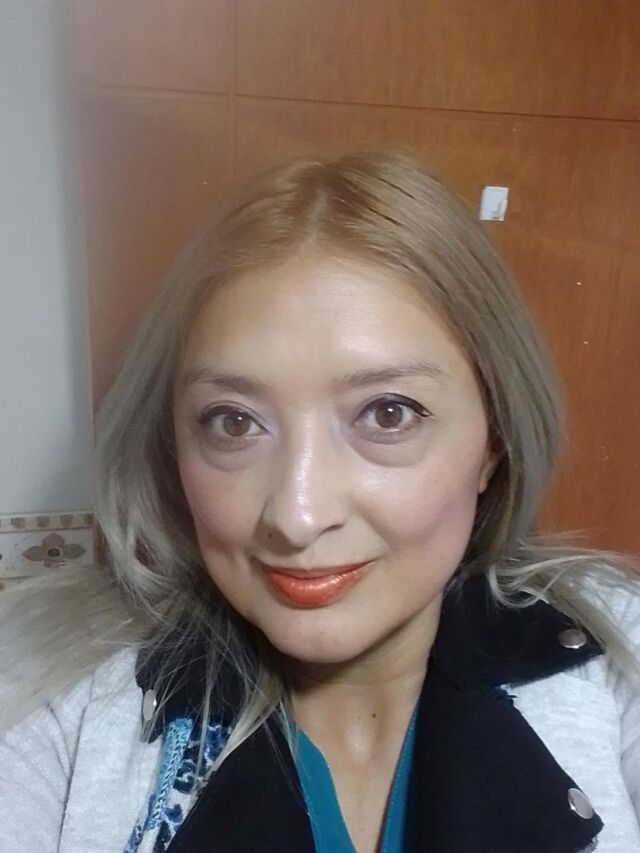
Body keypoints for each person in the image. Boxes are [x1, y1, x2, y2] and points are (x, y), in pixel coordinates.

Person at [0, 150, 638, 853]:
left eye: (388, 414)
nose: (296, 516)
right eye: (234, 422)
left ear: (494, 441)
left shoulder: (621, 653)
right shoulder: (48, 690)